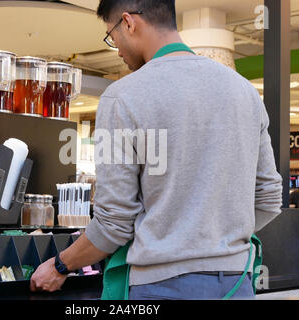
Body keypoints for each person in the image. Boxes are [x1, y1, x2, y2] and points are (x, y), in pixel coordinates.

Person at [30, 0, 283, 299]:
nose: (118, 49)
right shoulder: (245, 91)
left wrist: (60, 266)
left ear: (128, 23)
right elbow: (268, 198)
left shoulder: (123, 97)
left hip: (162, 287)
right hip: (236, 284)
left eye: (112, 37)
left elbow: (114, 223)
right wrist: (216, 237)